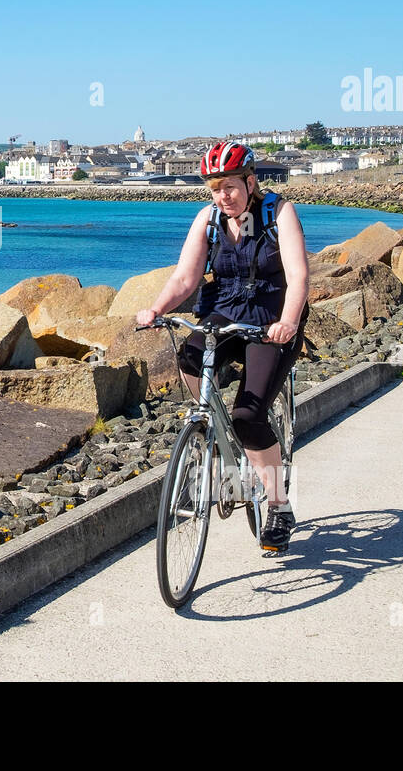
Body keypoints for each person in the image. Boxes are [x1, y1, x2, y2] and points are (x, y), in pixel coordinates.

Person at [135, 141, 309, 552]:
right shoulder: (208, 220)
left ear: (250, 182)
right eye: (215, 189)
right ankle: (212, 428)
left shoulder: (277, 214)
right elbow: (185, 278)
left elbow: (299, 277)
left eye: (229, 186)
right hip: (224, 311)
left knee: (249, 414)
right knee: (189, 357)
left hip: (270, 317)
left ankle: (279, 505)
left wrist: (288, 321)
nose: (223, 196)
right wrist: (157, 308)